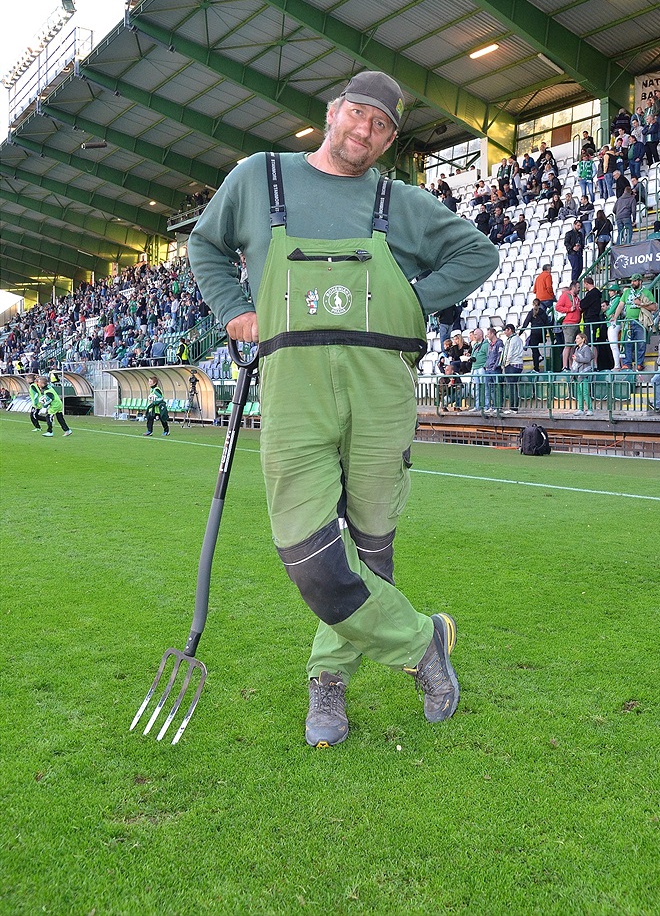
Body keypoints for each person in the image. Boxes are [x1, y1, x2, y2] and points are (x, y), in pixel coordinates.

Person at [188, 70, 498, 746]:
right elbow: (205, 245)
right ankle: (422, 644)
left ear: (388, 140)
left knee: (371, 543)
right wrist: (235, 310)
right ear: (332, 113)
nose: (365, 129)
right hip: (293, 385)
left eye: (382, 124)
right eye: (358, 113)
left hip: (378, 385)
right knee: (309, 552)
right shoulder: (258, 177)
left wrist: (412, 301)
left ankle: (328, 678)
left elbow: (479, 251)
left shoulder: (401, 200)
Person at [611, 273, 658, 373]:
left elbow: (654, 307)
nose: (633, 283)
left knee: (641, 343)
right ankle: (626, 364)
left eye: (635, 281)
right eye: (632, 281)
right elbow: (620, 305)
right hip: (628, 321)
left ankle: (639, 363)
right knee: (627, 343)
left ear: (640, 281)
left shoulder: (646, 292)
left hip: (640, 321)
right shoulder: (627, 292)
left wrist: (640, 304)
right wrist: (615, 317)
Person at [555, 281, 581, 370]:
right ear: (573, 287)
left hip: (576, 324)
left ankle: (571, 365)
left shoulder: (577, 298)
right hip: (569, 324)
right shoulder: (566, 295)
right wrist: (569, 309)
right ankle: (565, 366)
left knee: (573, 346)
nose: (580, 289)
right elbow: (558, 307)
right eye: (578, 287)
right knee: (568, 345)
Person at [519, 298, 549, 372]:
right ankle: (539, 357)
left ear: (533, 304)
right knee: (533, 347)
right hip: (542, 333)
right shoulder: (543, 312)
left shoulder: (531, 312)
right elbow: (547, 323)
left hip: (535, 333)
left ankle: (536, 368)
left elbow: (525, 323)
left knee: (534, 350)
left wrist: (520, 333)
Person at [501, 323, 524, 414]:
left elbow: (509, 353)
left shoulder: (512, 340)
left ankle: (513, 408)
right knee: (514, 386)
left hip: (512, 365)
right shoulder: (518, 339)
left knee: (511, 387)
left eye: (505, 330)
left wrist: (505, 364)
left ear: (510, 330)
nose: (504, 332)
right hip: (518, 364)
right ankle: (514, 407)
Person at [579, 276, 602, 366]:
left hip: (591, 320)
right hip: (591, 320)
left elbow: (583, 304)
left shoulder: (592, 293)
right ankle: (593, 363)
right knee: (592, 342)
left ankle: (593, 363)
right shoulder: (595, 293)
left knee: (591, 342)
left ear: (586, 283)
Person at [570, 332, 594, 415]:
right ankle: (580, 409)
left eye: (578, 338)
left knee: (585, 392)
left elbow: (587, 359)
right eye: (576, 338)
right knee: (579, 392)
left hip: (584, 372)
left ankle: (590, 409)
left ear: (583, 339)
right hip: (577, 372)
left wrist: (577, 359)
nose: (576, 340)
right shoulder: (577, 349)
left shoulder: (586, 348)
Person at [483, 326, 504, 415]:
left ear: (492, 333)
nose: (487, 336)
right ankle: (493, 405)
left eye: (488, 334)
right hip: (488, 369)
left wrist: (495, 366)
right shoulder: (489, 344)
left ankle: (498, 406)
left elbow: (500, 356)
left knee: (497, 388)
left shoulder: (499, 343)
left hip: (495, 370)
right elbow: (488, 356)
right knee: (490, 389)